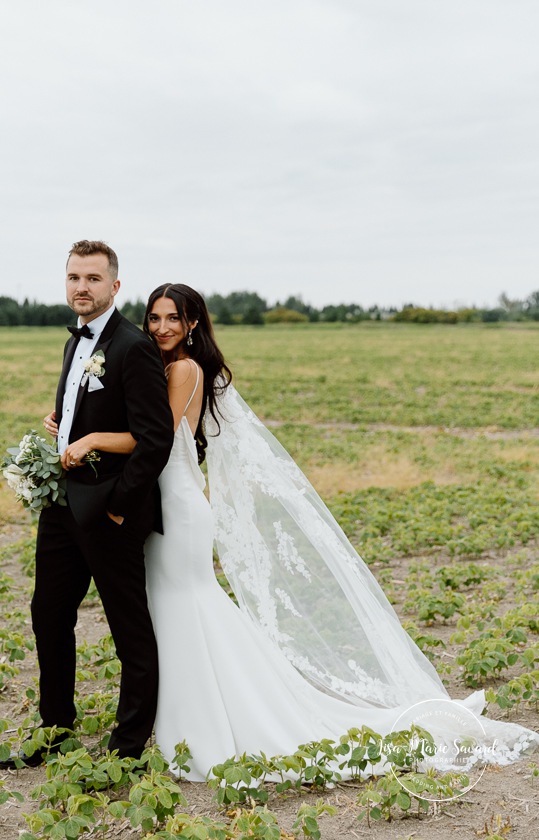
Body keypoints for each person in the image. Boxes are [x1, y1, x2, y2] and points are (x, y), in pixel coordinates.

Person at [140, 283, 539, 782]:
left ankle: (212, 726)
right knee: (180, 611)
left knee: (188, 608)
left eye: (171, 318)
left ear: (192, 323)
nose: (161, 328)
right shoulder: (168, 366)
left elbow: (153, 437)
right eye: (154, 318)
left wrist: (89, 437)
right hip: (170, 506)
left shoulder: (182, 369)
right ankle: (192, 718)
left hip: (176, 510)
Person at [0, 241, 174, 770]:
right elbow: (81, 408)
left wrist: (119, 507)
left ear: (115, 287)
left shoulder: (132, 346)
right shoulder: (74, 346)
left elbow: (154, 439)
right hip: (61, 508)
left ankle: (128, 746)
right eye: (74, 277)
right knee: (47, 613)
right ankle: (55, 729)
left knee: (128, 627)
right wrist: (60, 426)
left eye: (93, 279)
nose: (81, 287)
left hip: (109, 512)